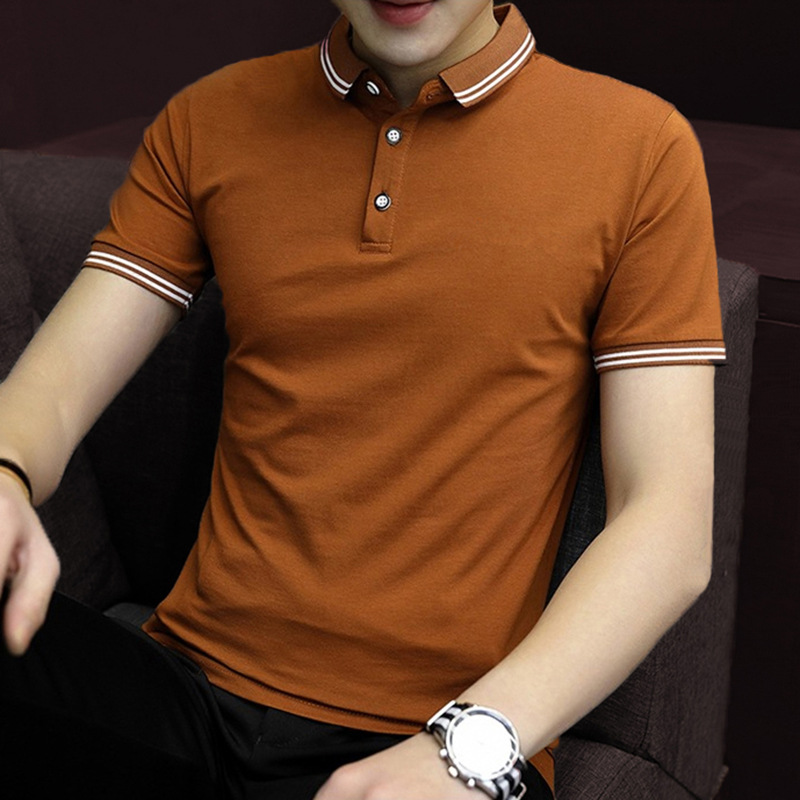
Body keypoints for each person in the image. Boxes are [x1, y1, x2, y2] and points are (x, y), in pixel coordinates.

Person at [0, 1, 726, 797]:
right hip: (187, 697)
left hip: (433, 733)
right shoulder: (209, 118)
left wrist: (470, 744)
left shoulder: (641, 148)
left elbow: (667, 524)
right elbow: (54, 391)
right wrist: (4, 474)